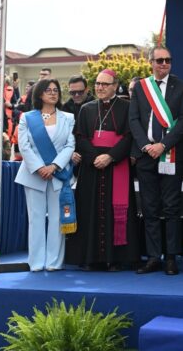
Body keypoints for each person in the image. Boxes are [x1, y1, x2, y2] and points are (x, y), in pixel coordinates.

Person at [66, 69, 138, 271]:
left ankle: (114, 258)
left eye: (105, 84)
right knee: (90, 210)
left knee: (116, 212)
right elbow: (79, 137)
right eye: (98, 83)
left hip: (117, 165)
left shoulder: (127, 107)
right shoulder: (87, 109)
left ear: (115, 86)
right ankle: (91, 258)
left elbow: (130, 137)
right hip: (92, 167)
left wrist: (111, 156)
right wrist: (94, 157)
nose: (100, 87)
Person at [129, 46, 183, 275]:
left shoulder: (182, 87)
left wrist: (163, 145)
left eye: (168, 60)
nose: (164, 64)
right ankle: (154, 257)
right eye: (160, 60)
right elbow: (133, 119)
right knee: (150, 208)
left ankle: (172, 257)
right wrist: (147, 145)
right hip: (146, 156)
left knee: (172, 208)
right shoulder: (140, 88)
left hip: (171, 154)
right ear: (151, 62)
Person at [14, 78, 76, 272]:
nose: (53, 93)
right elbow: (24, 146)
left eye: (56, 90)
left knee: (57, 218)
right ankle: (36, 261)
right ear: (39, 94)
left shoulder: (68, 117)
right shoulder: (27, 117)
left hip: (58, 174)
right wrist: (40, 167)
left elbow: (70, 145)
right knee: (36, 217)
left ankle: (54, 262)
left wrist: (54, 166)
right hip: (33, 174)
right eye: (48, 90)